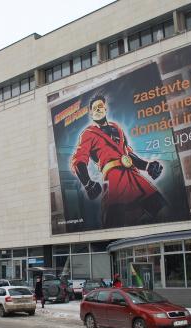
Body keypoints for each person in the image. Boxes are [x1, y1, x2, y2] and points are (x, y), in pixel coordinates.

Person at [70, 92, 166, 227]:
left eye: (100, 106)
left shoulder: (117, 128)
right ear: (91, 114)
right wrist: (87, 183)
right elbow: (79, 159)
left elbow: (127, 153)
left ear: (105, 109)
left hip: (134, 176)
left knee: (161, 208)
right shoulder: (88, 134)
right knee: (114, 221)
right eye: (94, 108)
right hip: (114, 178)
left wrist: (148, 165)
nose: (98, 109)